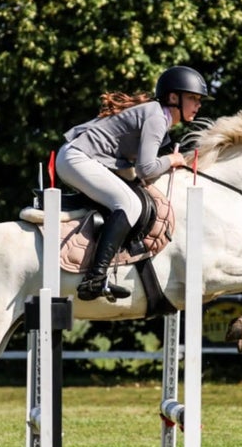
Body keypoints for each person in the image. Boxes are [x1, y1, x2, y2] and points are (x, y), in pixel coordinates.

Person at [56, 65, 211, 301]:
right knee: (129, 204)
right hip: (78, 157)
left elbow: (138, 172)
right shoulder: (157, 117)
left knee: (134, 196)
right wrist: (173, 159)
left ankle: (107, 272)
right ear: (173, 97)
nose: (198, 105)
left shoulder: (159, 116)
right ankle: (94, 278)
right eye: (192, 98)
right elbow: (146, 168)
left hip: (85, 158)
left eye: (199, 100)